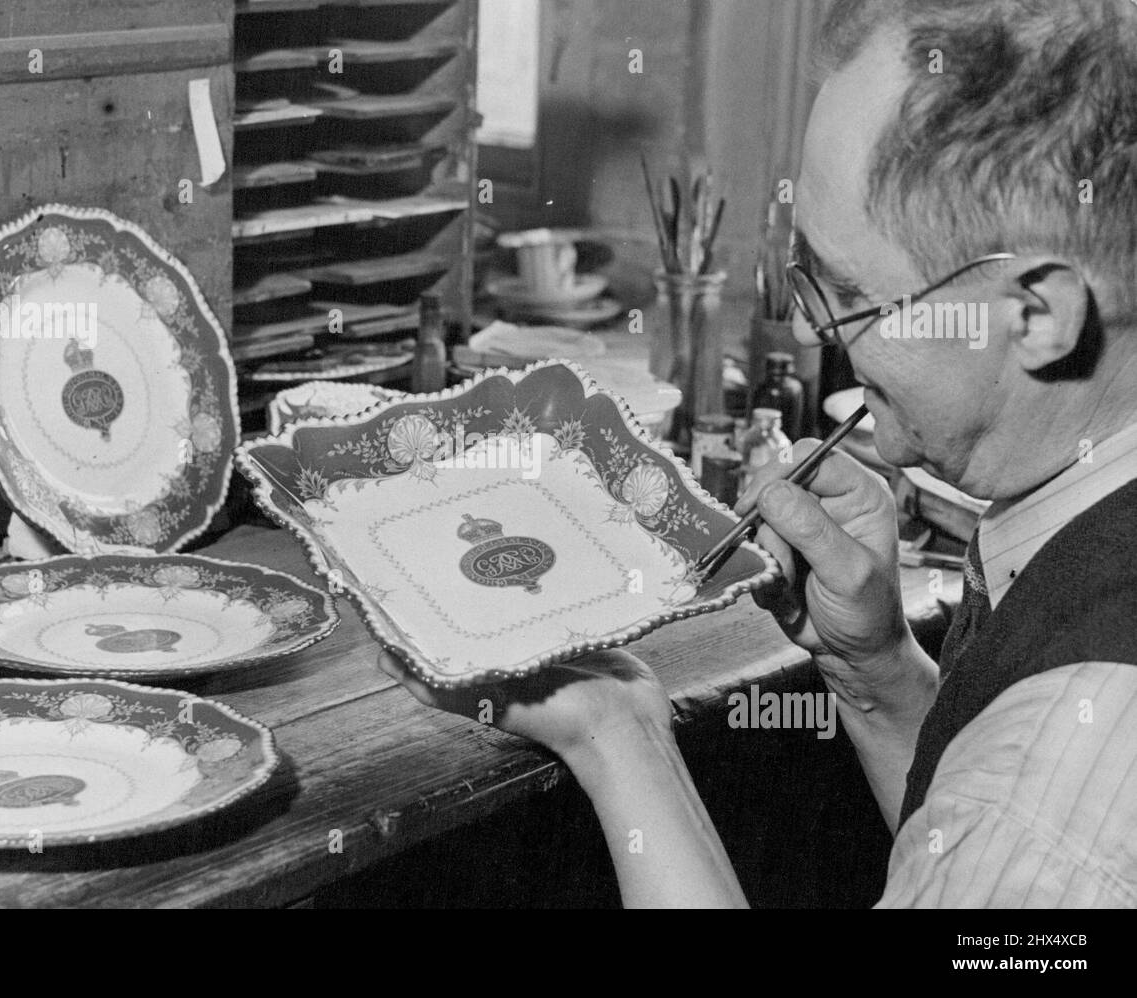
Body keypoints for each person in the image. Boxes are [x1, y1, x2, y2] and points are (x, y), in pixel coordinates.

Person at [379, 0, 1137, 907]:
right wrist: (875, 673)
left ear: (1038, 315)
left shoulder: (1071, 762)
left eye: (849, 293)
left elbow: (1026, 830)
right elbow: (971, 867)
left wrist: (619, 737)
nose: (814, 327)